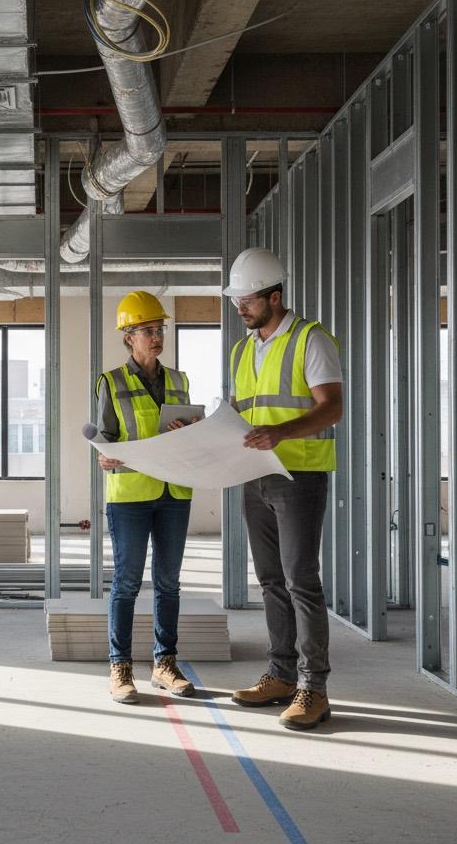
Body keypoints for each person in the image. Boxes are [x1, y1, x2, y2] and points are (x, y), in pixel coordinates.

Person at [223, 248, 344, 730]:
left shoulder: (310, 339)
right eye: (237, 300)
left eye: (248, 300)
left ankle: (314, 688)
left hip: (299, 476)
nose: (240, 308)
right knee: (271, 581)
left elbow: (331, 408)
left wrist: (281, 433)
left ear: (275, 297)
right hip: (254, 475)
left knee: (300, 581)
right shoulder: (242, 350)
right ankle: (281, 674)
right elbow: (242, 414)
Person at [95, 290, 197, 704]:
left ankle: (164, 664)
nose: (156, 337)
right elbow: (104, 437)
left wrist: (188, 432)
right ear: (129, 337)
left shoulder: (179, 381)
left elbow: (191, 432)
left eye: (159, 330)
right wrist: (104, 455)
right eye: (147, 331)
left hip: (174, 490)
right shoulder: (111, 382)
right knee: (127, 582)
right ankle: (120, 667)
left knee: (169, 583)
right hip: (131, 495)